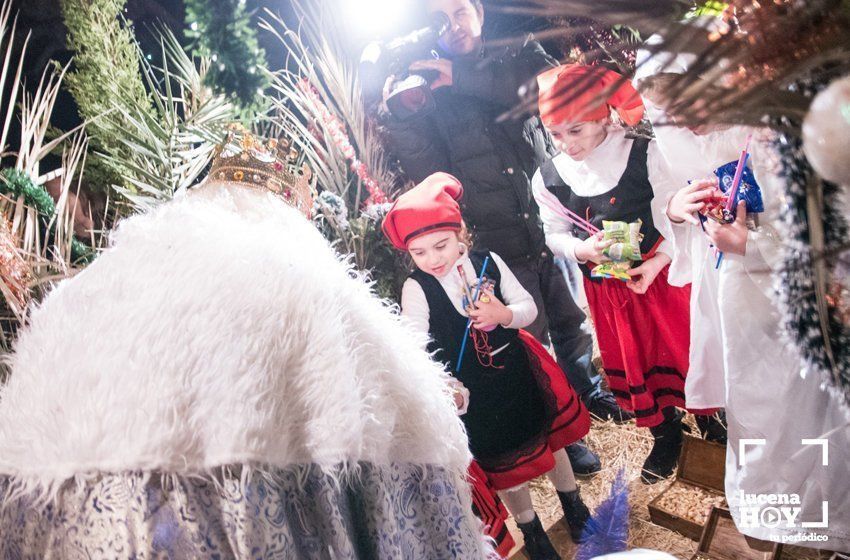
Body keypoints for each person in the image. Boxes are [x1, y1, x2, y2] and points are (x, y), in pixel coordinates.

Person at [0, 129, 494, 558]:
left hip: (76, 501)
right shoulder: (294, 275)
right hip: (267, 503)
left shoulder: (119, 275)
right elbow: (390, 391)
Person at [378, 0, 632, 474]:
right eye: (439, 19)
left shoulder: (514, 51)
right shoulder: (430, 90)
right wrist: (402, 116)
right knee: (529, 340)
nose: (451, 25)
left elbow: (543, 94)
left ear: (477, 10)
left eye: (458, 12)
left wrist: (461, 75)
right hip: (495, 234)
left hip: (544, 214)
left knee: (569, 318)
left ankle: (587, 394)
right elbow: (427, 171)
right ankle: (555, 429)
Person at [382, 172, 593, 559]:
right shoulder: (417, 288)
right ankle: (532, 530)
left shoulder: (488, 262)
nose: (432, 260)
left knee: (551, 442)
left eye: (441, 245)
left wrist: (503, 314)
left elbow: (527, 309)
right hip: (476, 394)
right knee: (507, 466)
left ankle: (573, 503)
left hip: (519, 372)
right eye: (419, 253)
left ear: (460, 233)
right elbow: (415, 346)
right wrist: (445, 383)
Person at [663, 128, 850, 550]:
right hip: (736, 307)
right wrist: (678, 209)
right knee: (758, 412)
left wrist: (754, 244)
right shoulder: (689, 138)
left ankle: (826, 522)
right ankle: (782, 521)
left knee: (808, 415)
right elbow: (682, 203)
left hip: (799, 311)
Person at [530, 64, 717, 484]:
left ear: (602, 116)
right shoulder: (548, 178)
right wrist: (581, 249)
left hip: (664, 279)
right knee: (636, 361)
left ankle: (711, 422)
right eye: (556, 134)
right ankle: (666, 434)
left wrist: (656, 262)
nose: (566, 143)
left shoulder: (644, 152)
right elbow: (554, 234)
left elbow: (675, 217)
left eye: (575, 130)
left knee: (686, 350)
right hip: (610, 291)